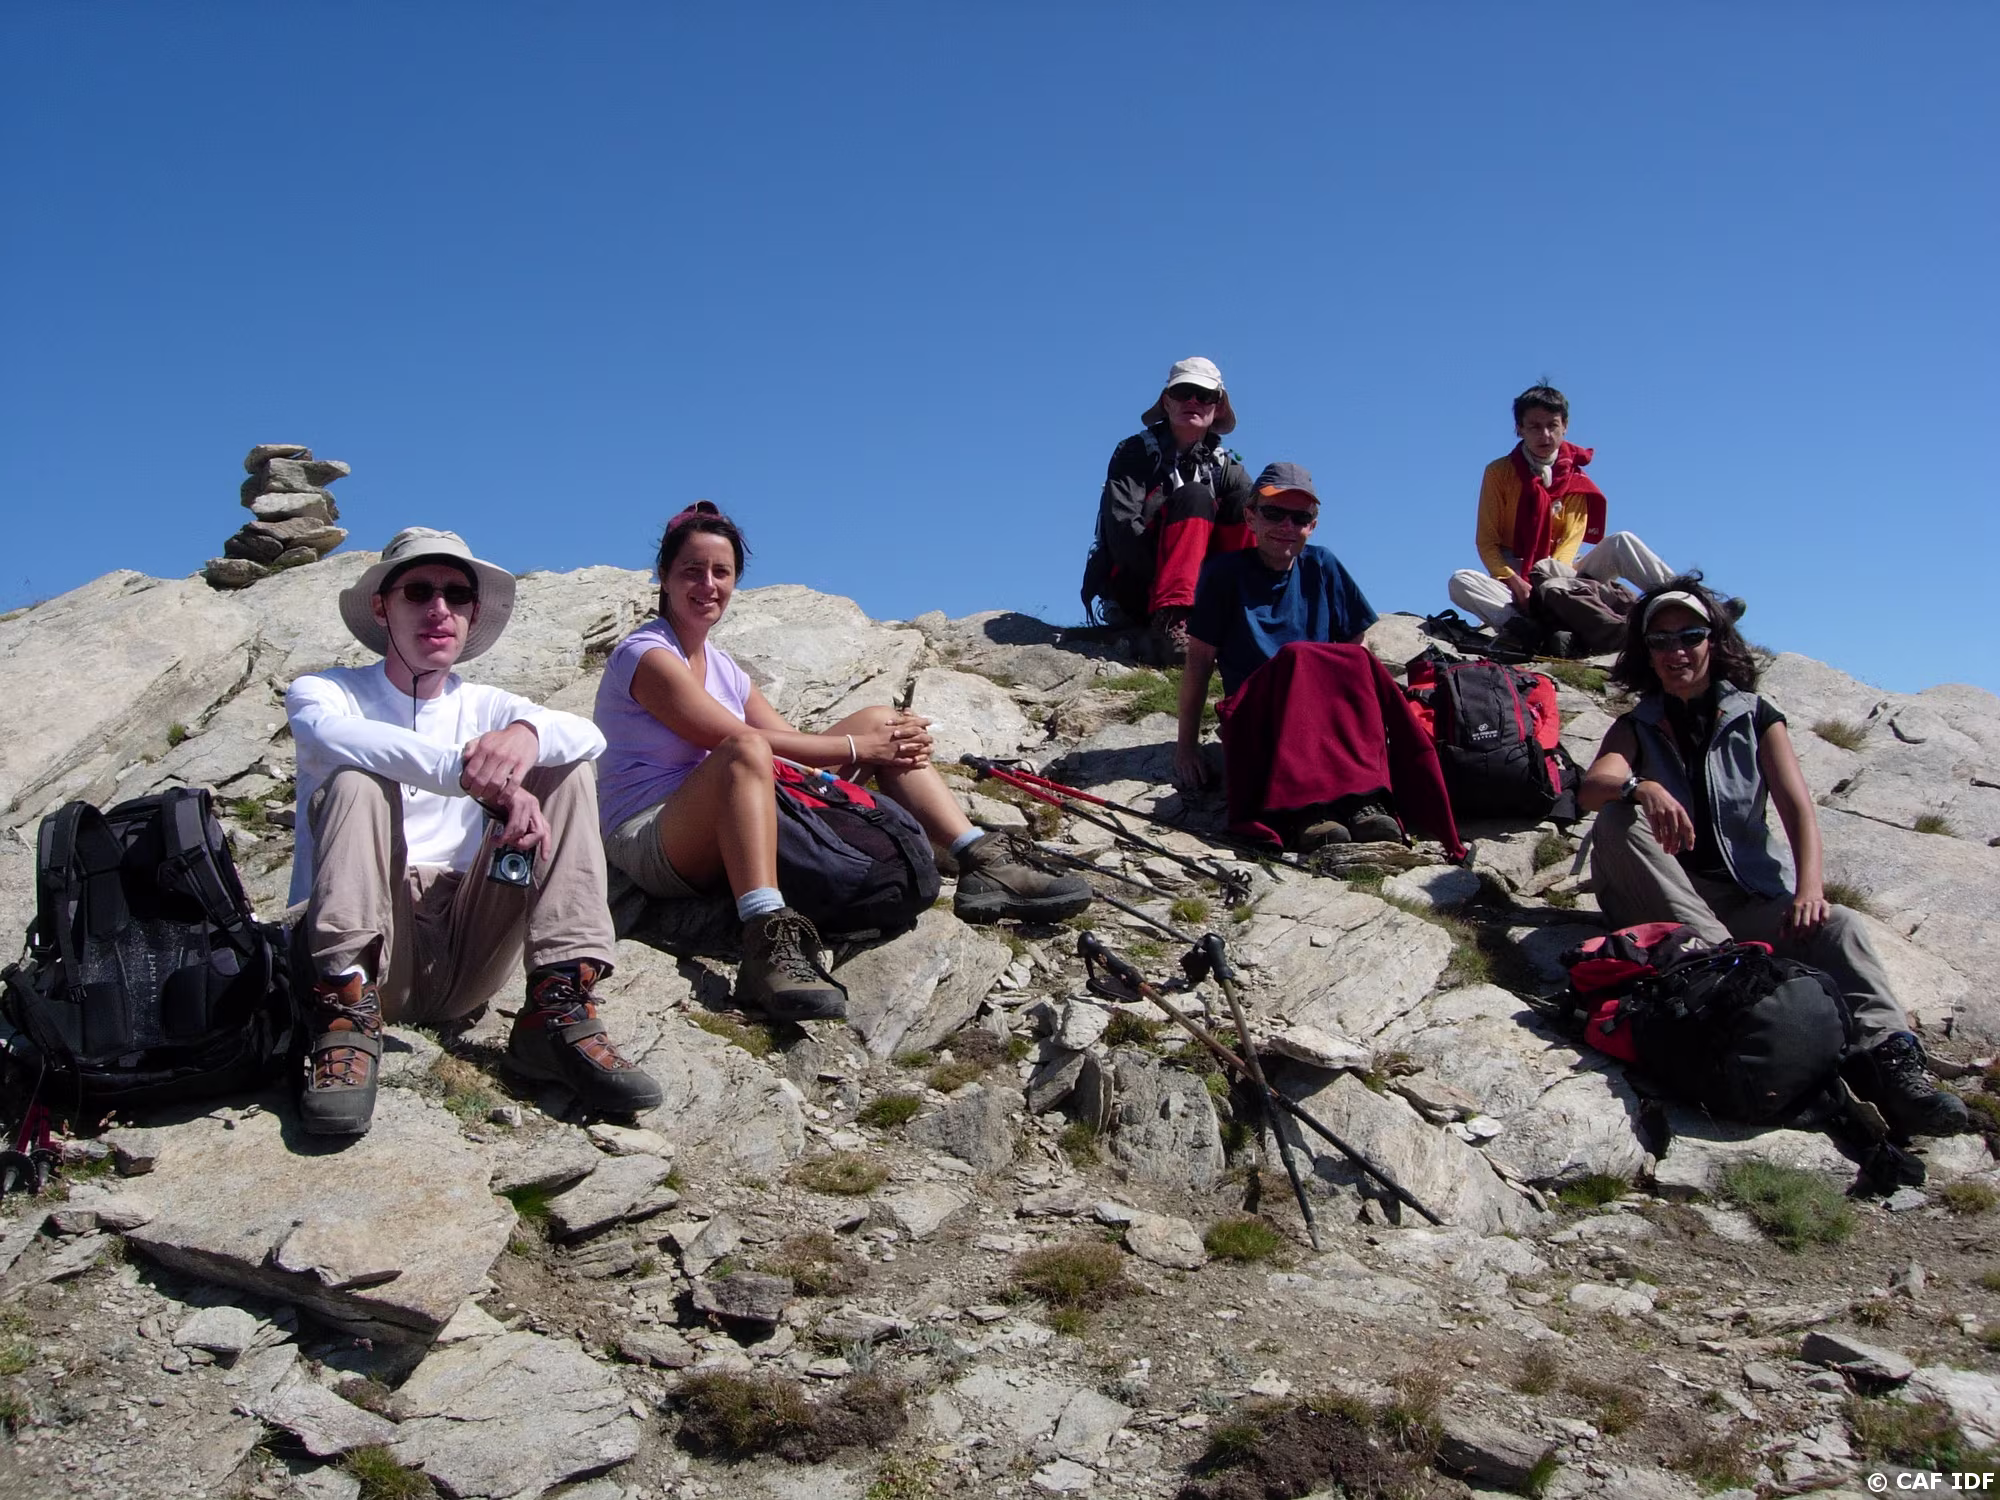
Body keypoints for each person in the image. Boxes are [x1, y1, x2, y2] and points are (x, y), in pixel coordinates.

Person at [595, 503, 1092, 1023]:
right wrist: (861, 751)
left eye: (721, 572)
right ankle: (766, 935)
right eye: (692, 571)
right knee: (747, 750)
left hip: (730, 810)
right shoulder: (645, 655)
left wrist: (884, 740)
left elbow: (790, 743)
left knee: (881, 719)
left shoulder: (724, 668)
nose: (708, 585)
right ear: (664, 576)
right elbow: (736, 740)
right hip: (653, 833)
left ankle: (980, 859)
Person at [286, 527, 662, 1137]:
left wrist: (527, 738)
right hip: (372, 939)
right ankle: (344, 1016)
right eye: (418, 591)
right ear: (382, 607)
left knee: (565, 770)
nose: (439, 609)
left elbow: (588, 737)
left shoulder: (492, 706)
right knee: (356, 780)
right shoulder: (328, 691)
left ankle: (558, 1006)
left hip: (467, 940)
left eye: (456, 594)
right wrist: (476, 778)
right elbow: (331, 735)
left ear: (471, 613)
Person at [1579, 576, 1966, 1137]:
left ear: (1714, 642)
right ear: (1647, 653)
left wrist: (1809, 890)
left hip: (1744, 896)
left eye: (1689, 636)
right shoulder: (1635, 726)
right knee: (1617, 817)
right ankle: (1729, 965)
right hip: (1662, 898)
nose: (1675, 651)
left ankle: (1893, 1066)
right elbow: (1594, 786)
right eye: (1660, 641)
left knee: (1840, 927)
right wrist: (1643, 787)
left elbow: (1797, 809)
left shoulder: (1756, 716)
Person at [1176, 463, 1464, 856]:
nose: (1286, 526)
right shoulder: (1223, 574)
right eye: (1274, 513)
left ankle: (1364, 799)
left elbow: (1356, 651)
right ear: (1250, 517)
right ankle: (1309, 810)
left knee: (1350, 664)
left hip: (1321, 716)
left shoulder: (1323, 565)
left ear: (1312, 526)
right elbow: (1198, 664)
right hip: (1261, 714)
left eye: (1300, 518)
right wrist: (1186, 747)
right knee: (1299, 659)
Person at [1447, 385, 1680, 648]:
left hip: (1566, 576)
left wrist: (1546, 582)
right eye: (1534, 427)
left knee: (1621, 541)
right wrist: (1514, 581)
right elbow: (1487, 542)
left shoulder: (1575, 477)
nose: (1545, 435)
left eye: (1552, 425)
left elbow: (1570, 542)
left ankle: (1687, 603)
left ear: (1565, 426)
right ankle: (1532, 633)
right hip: (1516, 578)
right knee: (1460, 581)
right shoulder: (1499, 473)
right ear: (1519, 429)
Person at [1081, 356, 1253, 665]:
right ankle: (1172, 621)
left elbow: (1260, 525)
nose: (1193, 401)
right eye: (1183, 392)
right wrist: (1177, 580)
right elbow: (1123, 533)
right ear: (1167, 401)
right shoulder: (1135, 453)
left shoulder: (1224, 466)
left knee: (1251, 507)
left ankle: (1251, 615)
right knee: (1195, 497)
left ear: (1217, 407)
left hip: (1201, 588)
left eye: (1205, 395)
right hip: (1137, 585)